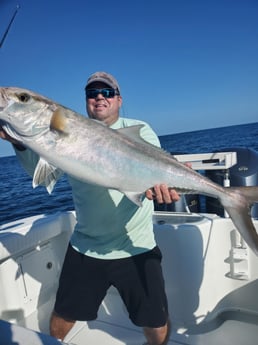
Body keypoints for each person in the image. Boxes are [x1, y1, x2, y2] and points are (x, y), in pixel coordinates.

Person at [0, 72, 180, 345]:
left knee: (154, 322)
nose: (99, 97)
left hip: (136, 246)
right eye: (92, 93)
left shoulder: (138, 128)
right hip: (86, 247)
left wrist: (160, 187)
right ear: (85, 101)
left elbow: (155, 171)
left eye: (107, 92)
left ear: (119, 99)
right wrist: (18, 141)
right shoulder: (62, 136)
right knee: (62, 317)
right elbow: (45, 176)